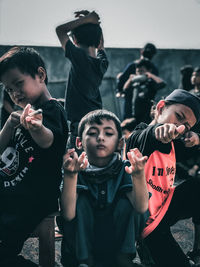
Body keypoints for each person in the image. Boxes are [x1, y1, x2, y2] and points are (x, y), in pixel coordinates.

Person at [0, 46, 68, 266]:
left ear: (40, 75)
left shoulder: (51, 110)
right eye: (9, 89)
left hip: (29, 199)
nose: (15, 93)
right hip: (10, 191)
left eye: (18, 84)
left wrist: (36, 127)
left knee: (6, 247)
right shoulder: (19, 117)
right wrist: (10, 125)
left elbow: (48, 140)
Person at [60, 109, 149, 267]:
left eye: (108, 133)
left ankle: (124, 257)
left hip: (116, 239)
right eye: (93, 133)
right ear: (79, 142)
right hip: (82, 247)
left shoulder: (126, 168)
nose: (100, 137)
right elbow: (67, 215)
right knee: (80, 203)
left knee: (128, 202)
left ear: (120, 143)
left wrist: (139, 175)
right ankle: (85, 260)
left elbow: (141, 208)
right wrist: (70, 176)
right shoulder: (74, 169)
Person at [125, 89, 200, 267]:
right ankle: (144, 248)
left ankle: (197, 251)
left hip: (163, 208)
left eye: (187, 127)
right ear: (160, 108)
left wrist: (197, 138)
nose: (181, 127)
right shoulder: (139, 136)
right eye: (179, 116)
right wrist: (161, 129)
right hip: (145, 222)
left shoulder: (175, 143)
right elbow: (151, 134)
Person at [56, 10, 109, 149]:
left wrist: (88, 19)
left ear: (75, 40)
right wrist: (92, 21)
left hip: (79, 127)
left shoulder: (80, 58)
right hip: (96, 121)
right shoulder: (102, 63)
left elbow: (60, 30)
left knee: (76, 165)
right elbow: (101, 46)